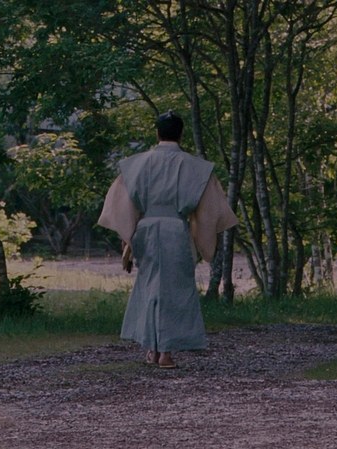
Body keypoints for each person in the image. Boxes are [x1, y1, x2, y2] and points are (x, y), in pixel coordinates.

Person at [97, 111, 238, 368]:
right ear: (181, 134)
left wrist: (127, 238)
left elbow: (124, 206)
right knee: (175, 289)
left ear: (157, 133)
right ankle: (165, 352)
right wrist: (204, 238)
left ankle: (154, 348)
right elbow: (209, 211)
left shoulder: (136, 164)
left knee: (151, 285)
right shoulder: (195, 167)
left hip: (146, 229)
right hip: (176, 229)